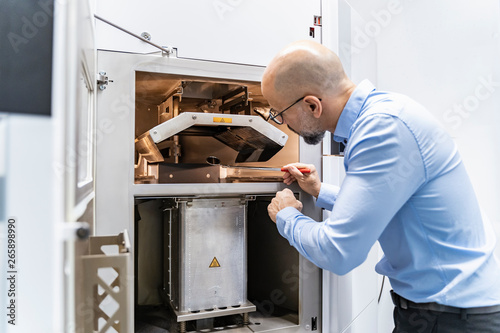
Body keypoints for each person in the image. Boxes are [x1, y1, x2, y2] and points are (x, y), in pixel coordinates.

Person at [263, 40, 500, 332]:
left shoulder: (382, 129)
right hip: (445, 312)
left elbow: (339, 252)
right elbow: (389, 204)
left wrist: (287, 215)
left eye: (279, 113)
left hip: (453, 318)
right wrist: (319, 190)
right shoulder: (383, 114)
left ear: (312, 105)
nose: (282, 122)